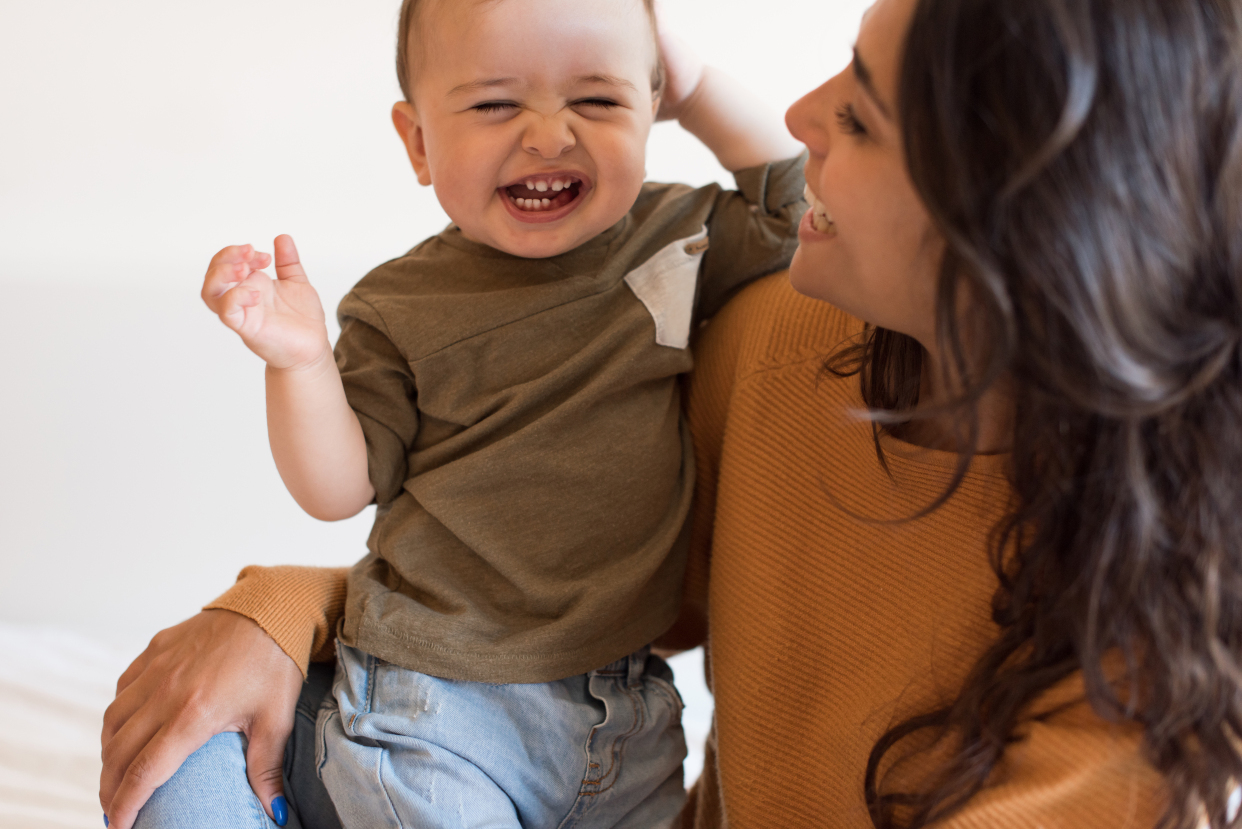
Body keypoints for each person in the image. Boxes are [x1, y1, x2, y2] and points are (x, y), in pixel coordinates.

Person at [103, 0, 1242, 826]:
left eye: (862, 112)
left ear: (1017, 229)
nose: (800, 108)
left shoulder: (1149, 649)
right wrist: (282, 607)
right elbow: (561, 556)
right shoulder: (770, 343)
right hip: (472, 708)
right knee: (190, 772)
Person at [103, 0, 806, 826]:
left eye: (599, 100)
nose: (549, 135)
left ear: (652, 110)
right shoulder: (403, 304)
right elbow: (341, 484)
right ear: (418, 142)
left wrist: (696, 85)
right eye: (495, 104)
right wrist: (300, 363)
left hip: (628, 710)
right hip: (437, 696)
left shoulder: (672, 237)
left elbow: (798, 210)